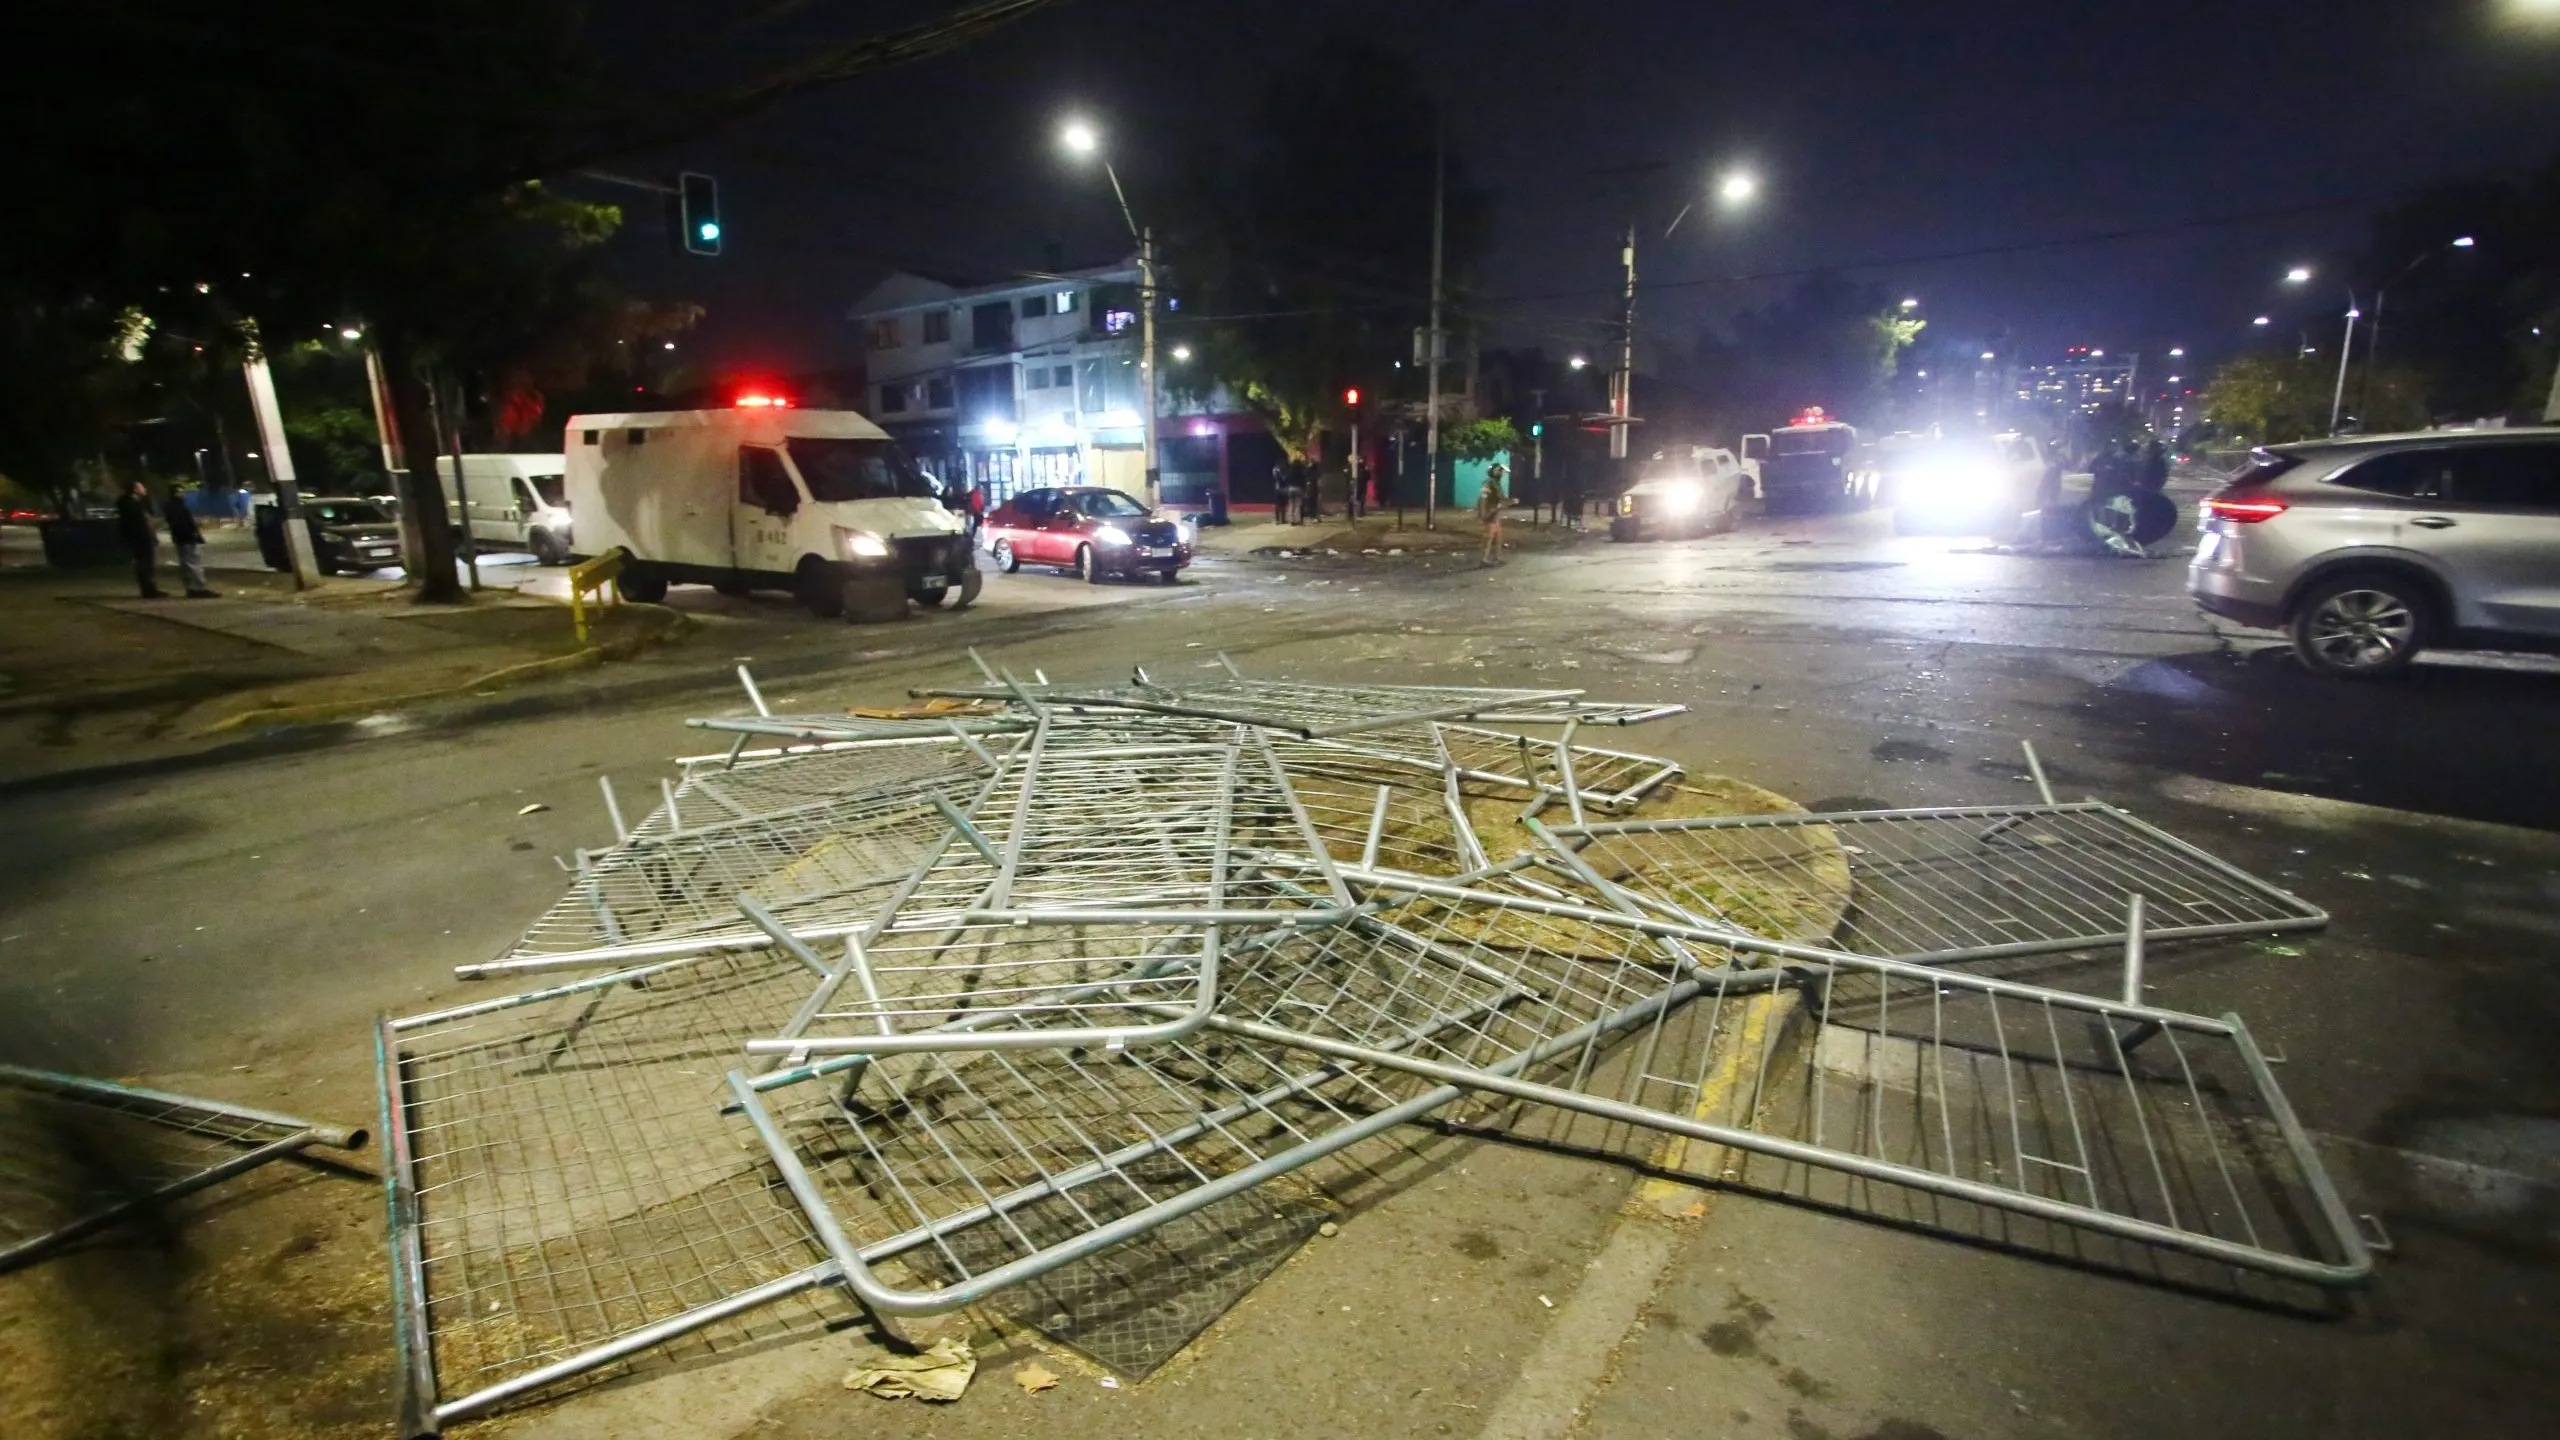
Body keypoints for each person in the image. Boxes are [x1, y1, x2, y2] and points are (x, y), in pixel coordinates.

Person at [162, 484, 216, 597]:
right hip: (187, 539)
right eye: (181, 492)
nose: (183, 494)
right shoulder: (177, 507)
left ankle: (191, 587)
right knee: (193, 563)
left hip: (181, 539)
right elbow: (183, 523)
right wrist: (193, 534)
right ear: (175, 493)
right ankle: (198, 588)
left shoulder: (172, 506)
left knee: (187, 563)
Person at [113, 480, 165, 598]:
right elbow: (137, 524)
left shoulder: (134, 504)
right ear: (135, 490)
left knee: (147, 564)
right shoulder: (130, 505)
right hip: (141, 540)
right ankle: (149, 590)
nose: (144, 489)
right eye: (142, 487)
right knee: (145, 564)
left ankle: (150, 588)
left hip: (142, 539)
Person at [1477, 461, 1508, 565]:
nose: (1502, 474)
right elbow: (1483, 498)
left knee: (1498, 537)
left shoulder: (1496, 483)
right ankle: (1484, 559)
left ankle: (1497, 557)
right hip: (1490, 514)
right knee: (1488, 537)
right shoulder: (1488, 483)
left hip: (1495, 514)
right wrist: (1483, 513)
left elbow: (1500, 498)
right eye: (1500, 471)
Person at [1272, 459, 1296, 525]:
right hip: (1280, 488)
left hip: (1283, 488)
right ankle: (1278, 519)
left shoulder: (1285, 471)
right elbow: (1278, 478)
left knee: (1282, 504)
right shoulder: (1276, 470)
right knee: (1278, 504)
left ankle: (1282, 519)